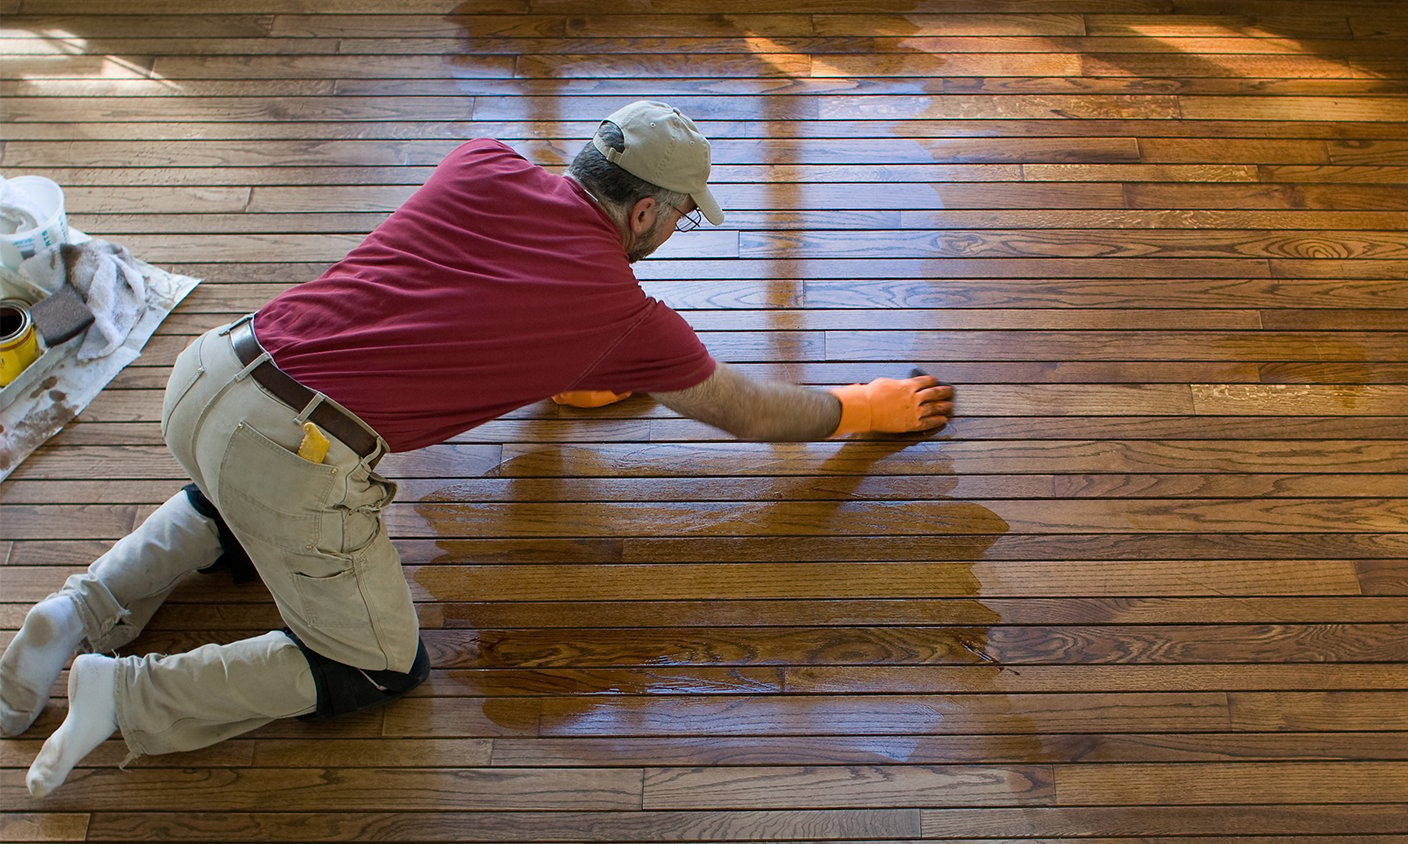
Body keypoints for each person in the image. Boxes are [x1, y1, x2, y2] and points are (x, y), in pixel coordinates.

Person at [0, 101, 954, 797]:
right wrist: (861, 409)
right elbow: (748, 414)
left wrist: (571, 370)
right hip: (292, 450)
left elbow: (465, 296)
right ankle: (123, 693)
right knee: (373, 667)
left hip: (212, 373)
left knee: (232, 504)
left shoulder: (480, 164)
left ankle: (74, 609)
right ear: (645, 214)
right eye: (678, 217)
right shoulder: (624, 311)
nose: (673, 233)